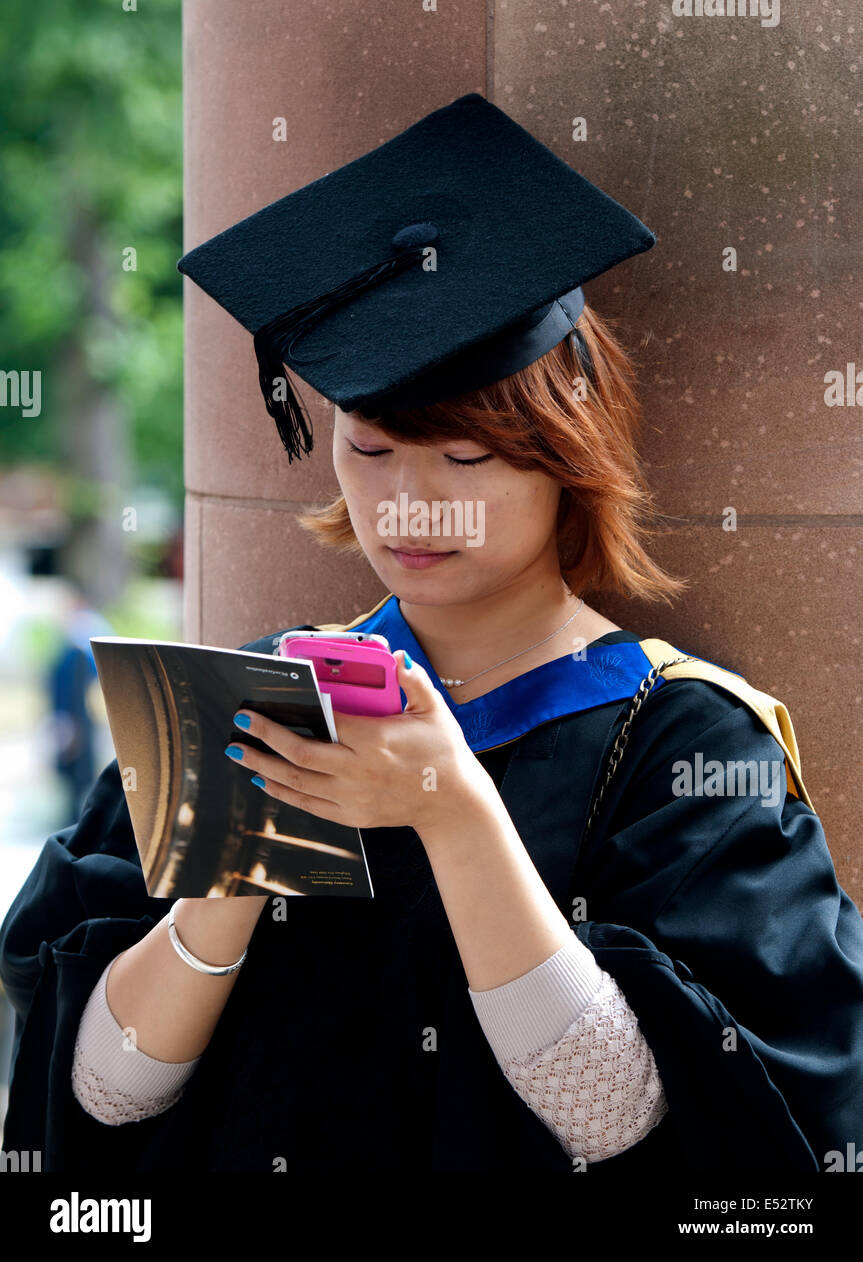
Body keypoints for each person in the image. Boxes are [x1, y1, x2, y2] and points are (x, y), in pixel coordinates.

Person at [2, 93, 862, 1175]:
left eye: (462, 460)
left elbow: (653, 1132)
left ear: (565, 451)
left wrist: (453, 816)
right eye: (369, 452)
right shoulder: (250, 701)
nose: (407, 504)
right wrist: (221, 893)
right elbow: (97, 1101)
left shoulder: (683, 746)